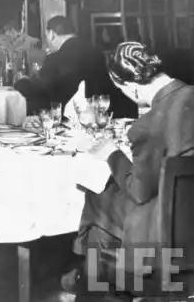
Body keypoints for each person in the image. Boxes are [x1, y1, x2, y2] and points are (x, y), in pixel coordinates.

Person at [61, 42, 194, 295]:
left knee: (98, 196)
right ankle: (95, 279)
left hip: (169, 233)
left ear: (132, 87)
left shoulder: (147, 125)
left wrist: (110, 153)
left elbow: (140, 191)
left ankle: (99, 284)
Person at [15, 15, 135, 118]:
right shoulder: (97, 53)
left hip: (69, 117)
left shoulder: (55, 59)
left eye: (46, 36)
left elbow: (39, 92)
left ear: (52, 34)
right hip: (101, 113)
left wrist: (22, 82)